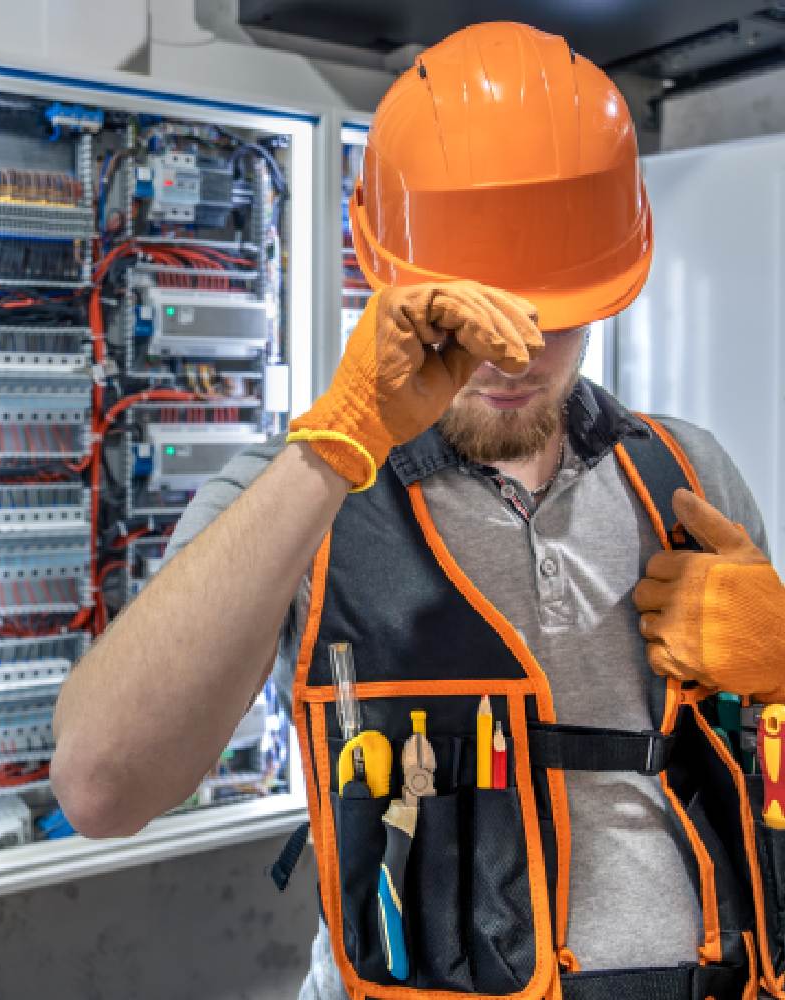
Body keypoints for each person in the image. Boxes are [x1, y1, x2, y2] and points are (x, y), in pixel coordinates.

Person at [52, 21, 785, 1000]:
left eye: (549, 308)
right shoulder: (292, 496)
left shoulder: (689, 475)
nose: (512, 356)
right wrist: (335, 446)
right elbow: (103, 785)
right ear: (388, 270)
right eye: (472, 310)